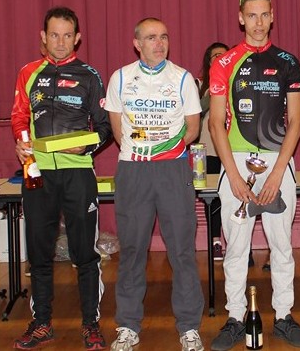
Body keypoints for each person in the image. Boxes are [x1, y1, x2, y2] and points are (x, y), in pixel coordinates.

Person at [208, 0, 300, 350]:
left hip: (278, 162)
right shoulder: (224, 63)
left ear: (272, 16)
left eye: (264, 14)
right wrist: (235, 176)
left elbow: (296, 122)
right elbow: (215, 123)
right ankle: (235, 318)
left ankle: (283, 316)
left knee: (281, 245)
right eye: (251, 15)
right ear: (241, 18)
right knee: (236, 248)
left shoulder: (288, 62)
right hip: (236, 162)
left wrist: (278, 172)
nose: (258, 22)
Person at [10, 6, 111, 350]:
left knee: (85, 253)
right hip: (38, 173)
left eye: (68, 35)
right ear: (43, 36)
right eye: (54, 35)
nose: (61, 42)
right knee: (39, 253)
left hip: (78, 173)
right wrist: (21, 142)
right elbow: (19, 117)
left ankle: (91, 324)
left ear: (77, 38)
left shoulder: (89, 75)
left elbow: (105, 126)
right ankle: (41, 324)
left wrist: (89, 147)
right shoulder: (28, 73)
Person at [105, 18, 205, 351]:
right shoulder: (120, 78)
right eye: (151, 38)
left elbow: (192, 128)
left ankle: (189, 327)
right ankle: (127, 326)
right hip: (133, 170)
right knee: (133, 250)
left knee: (182, 250)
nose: (159, 43)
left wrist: (162, 148)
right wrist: (143, 148)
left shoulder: (183, 78)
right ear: (137, 43)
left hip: (173, 170)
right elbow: (118, 130)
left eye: (163, 37)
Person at [198, 42, 230, 261]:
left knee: (233, 197)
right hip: (205, 150)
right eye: (215, 56)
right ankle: (215, 241)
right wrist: (212, 92)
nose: (220, 58)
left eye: (224, 55)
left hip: (232, 150)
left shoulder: (238, 80)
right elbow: (194, 113)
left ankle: (239, 244)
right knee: (211, 198)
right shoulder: (199, 84)